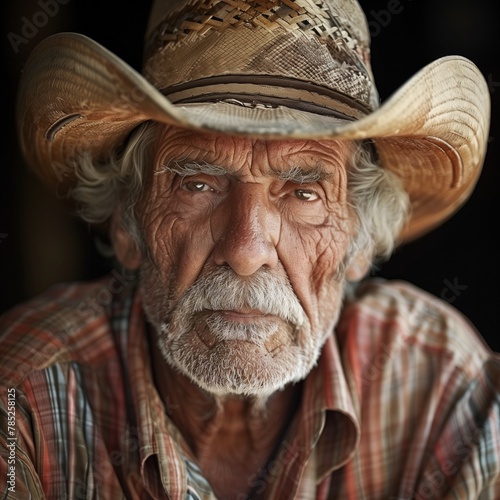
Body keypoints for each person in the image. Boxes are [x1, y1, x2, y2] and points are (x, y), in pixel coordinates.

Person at [1, 0, 499, 498]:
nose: (246, 251)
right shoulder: (24, 399)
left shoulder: (444, 389)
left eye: (304, 193)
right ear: (127, 226)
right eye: (196, 184)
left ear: (358, 239)